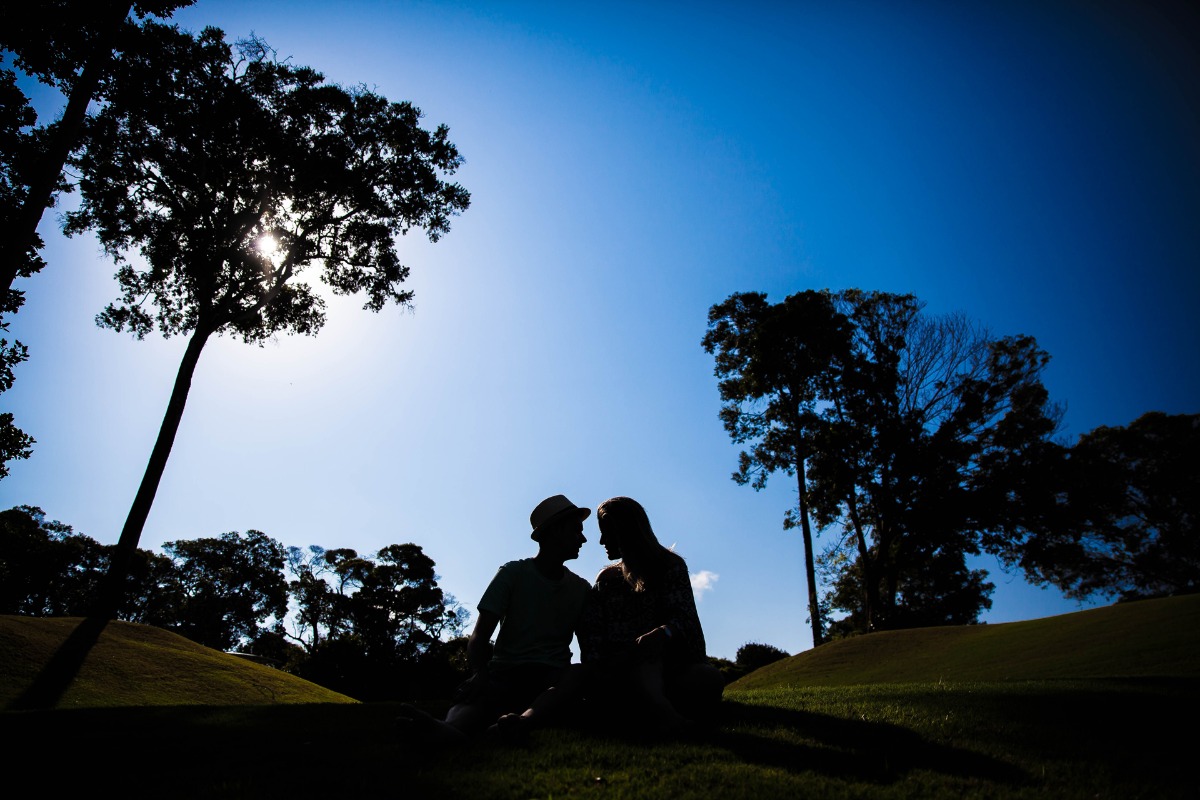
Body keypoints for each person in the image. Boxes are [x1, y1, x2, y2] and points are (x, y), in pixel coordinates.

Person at [396, 494, 592, 745]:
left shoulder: (581, 589)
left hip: (550, 680)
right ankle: (448, 730)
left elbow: (588, 647)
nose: (583, 539)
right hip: (505, 674)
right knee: (475, 696)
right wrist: (479, 673)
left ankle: (517, 723)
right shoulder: (513, 574)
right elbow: (480, 635)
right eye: (576, 531)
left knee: (573, 677)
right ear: (554, 532)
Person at [577, 496, 725, 733]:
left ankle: (646, 705)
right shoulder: (606, 581)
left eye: (607, 532)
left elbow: (686, 621)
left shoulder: (670, 567)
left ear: (625, 530)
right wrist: (607, 662)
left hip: (670, 670)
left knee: (709, 678)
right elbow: (592, 635)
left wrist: (662, 634)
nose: (602, 541)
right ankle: (661, 711)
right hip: (619, 672)